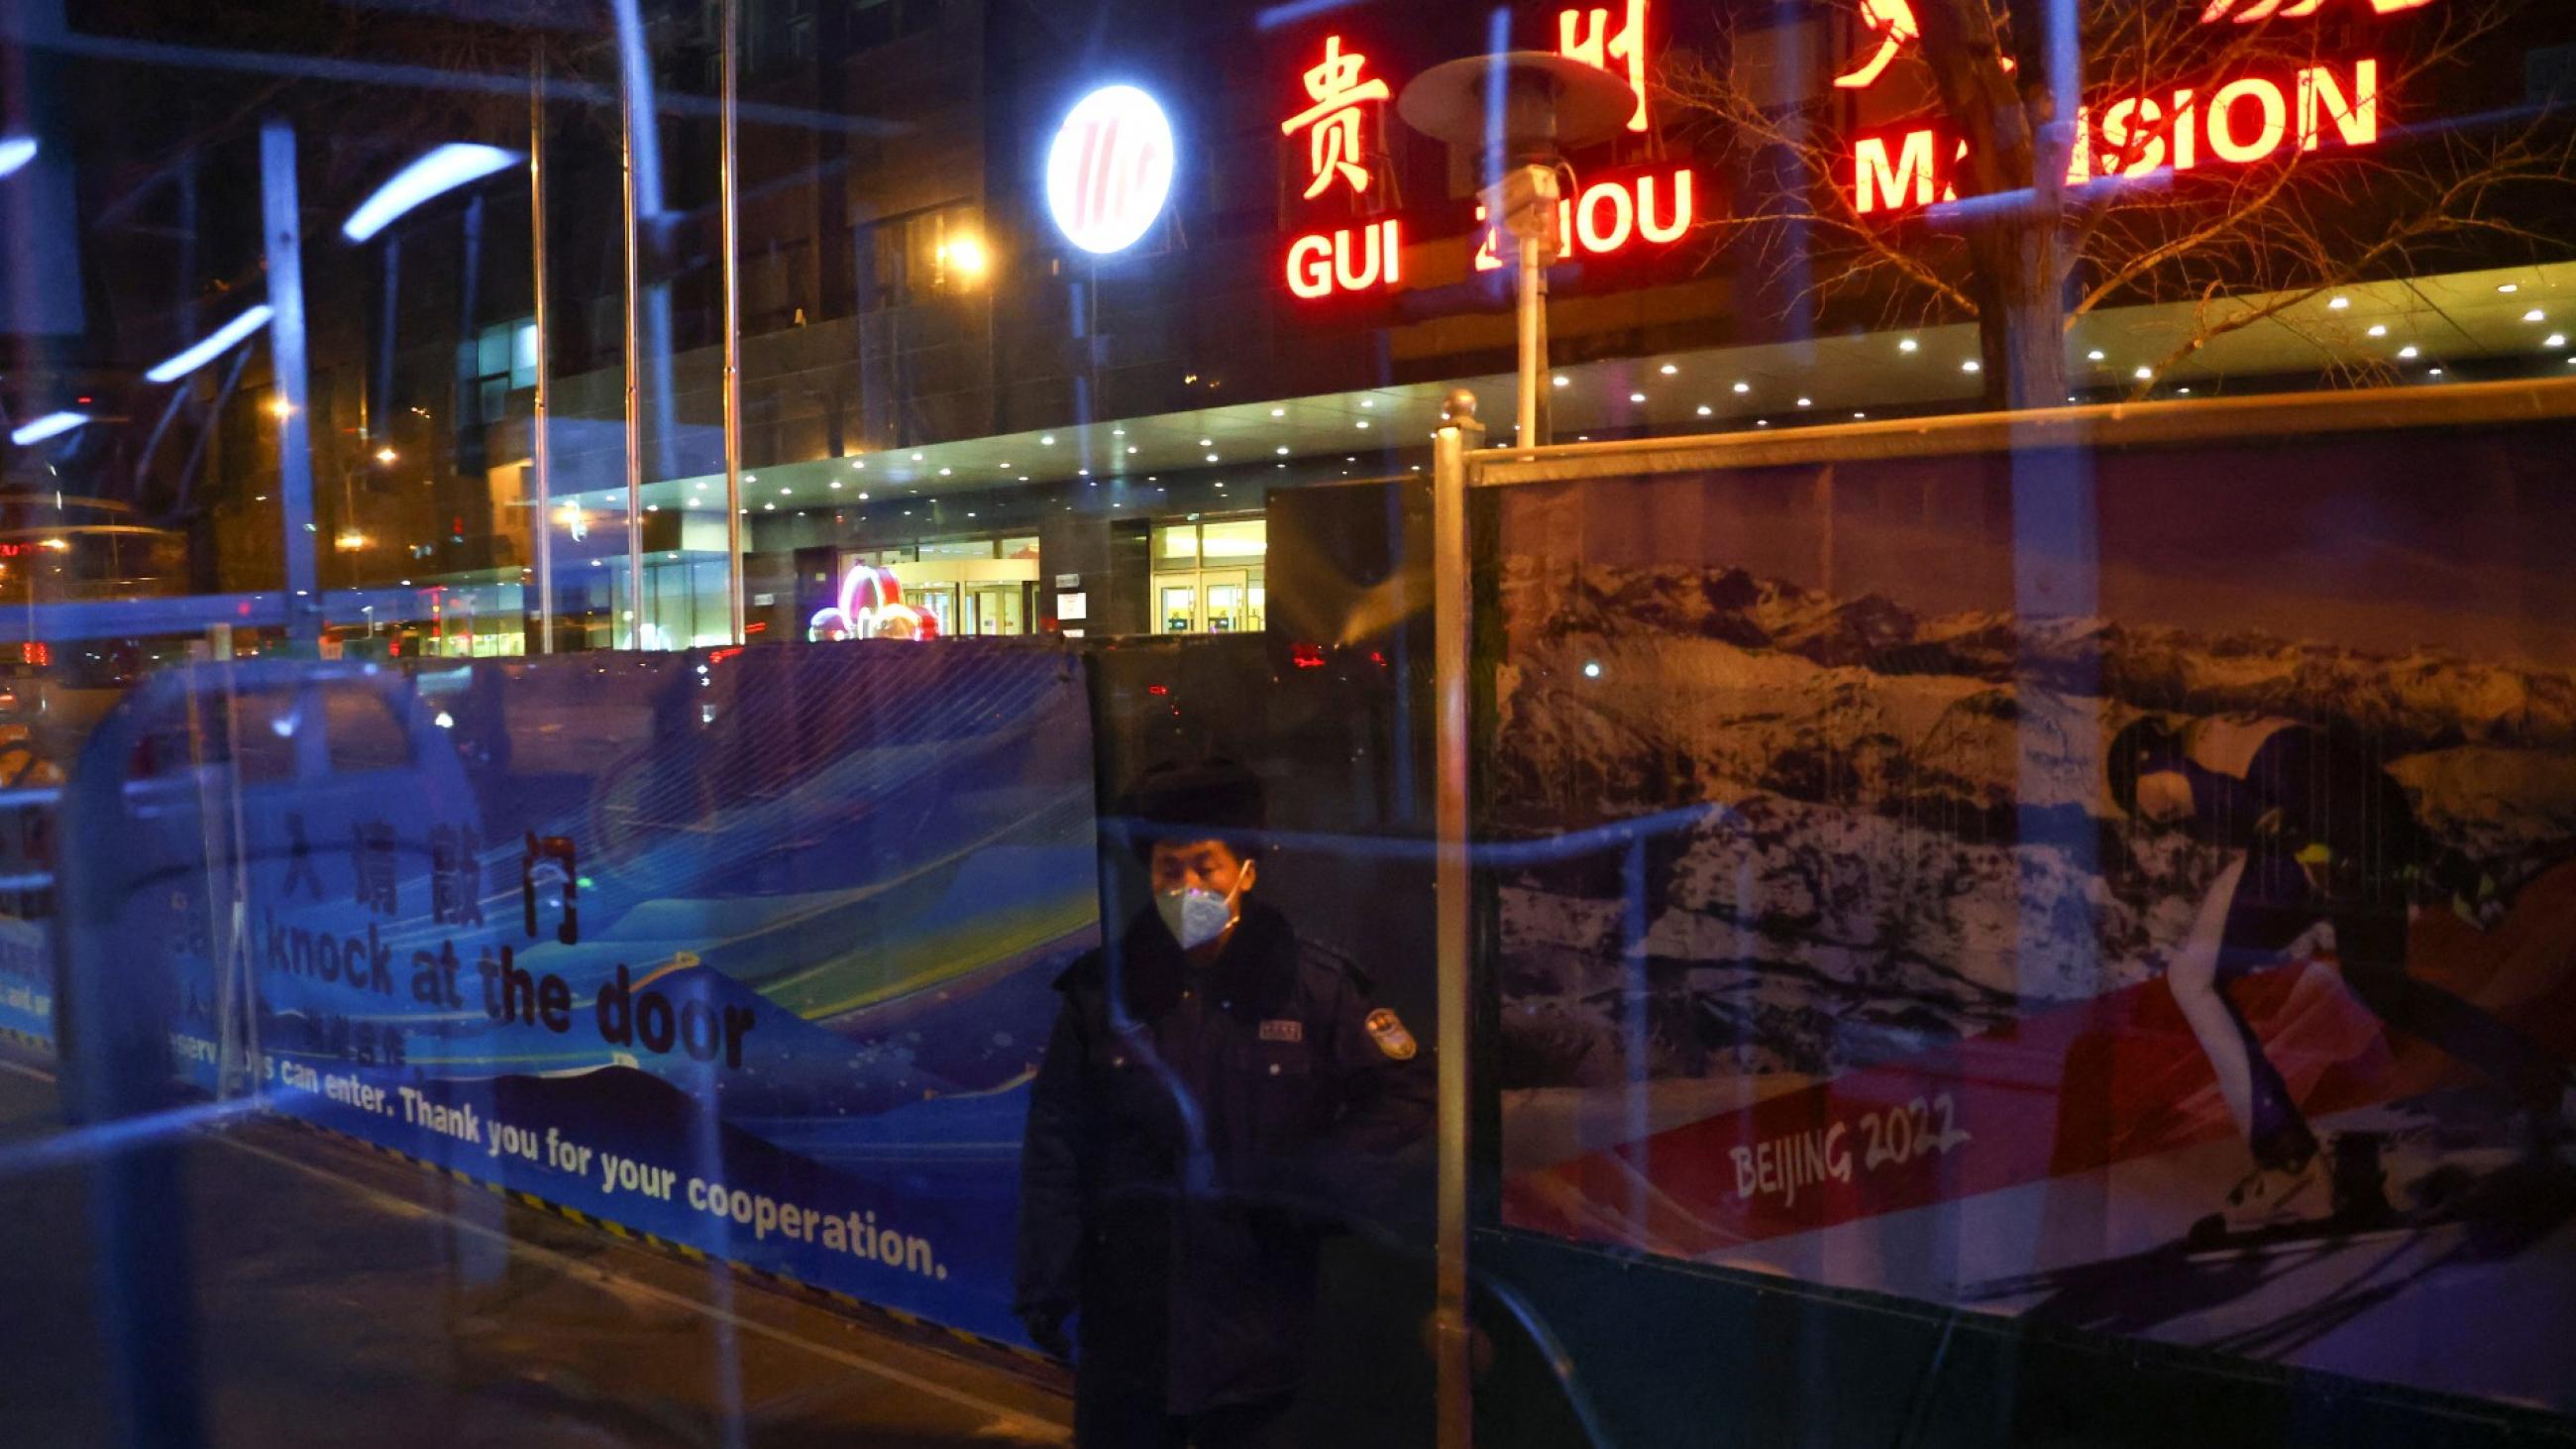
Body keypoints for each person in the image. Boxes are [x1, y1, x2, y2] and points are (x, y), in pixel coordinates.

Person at [1016, 758, 1432, 1449]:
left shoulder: (1312, 987)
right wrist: (1046, 1277)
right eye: (1168, 870)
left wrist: (1312, 1187)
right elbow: (1058, 1138)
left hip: (1254, 1313)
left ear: (1246, 871)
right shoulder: (1103, 993)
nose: (1186, 888)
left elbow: (1408, 1091)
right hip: (1130, 1314)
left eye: (1205, 868)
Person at [2108, 713, 2570, 1220]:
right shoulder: (2238, 731)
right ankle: (2551, 1086)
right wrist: (2444, 867)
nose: (2161, 822)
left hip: (2304, 846)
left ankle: (2286, 1158)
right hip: (2371, 832)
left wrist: (2301, 846)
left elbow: (2217, 794)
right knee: (2383, 986)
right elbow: (2366, 800)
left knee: (2192, 978)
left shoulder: (2160, 770)